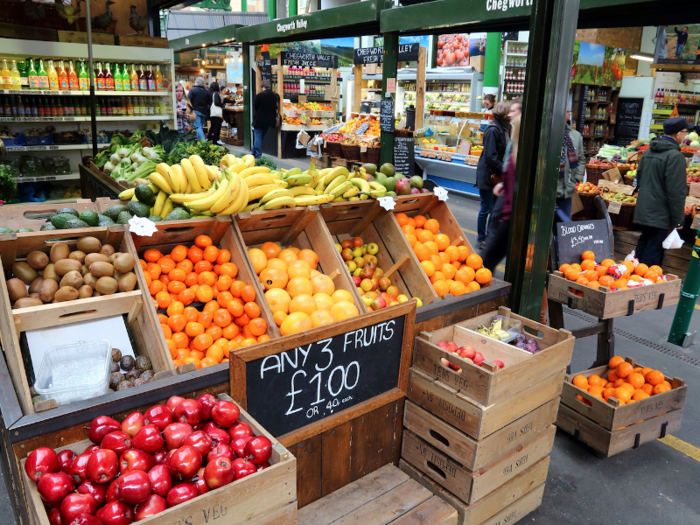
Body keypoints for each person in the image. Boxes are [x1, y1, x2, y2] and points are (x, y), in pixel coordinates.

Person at [633, 117, 689, 266]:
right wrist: (678, 220)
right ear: (678, 134)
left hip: (645, 208)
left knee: (643, 243)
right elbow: (676, 192)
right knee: (654, 250)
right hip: (661, 212)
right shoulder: (675, 157)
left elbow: (639, 177)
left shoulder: (649, 151)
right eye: (685, 132)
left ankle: (632, 278)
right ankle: (646, 285)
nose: (686, 135)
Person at [483, 113, 520, 273]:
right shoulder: (523, 157)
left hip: (510, 218)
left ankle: (480, 295)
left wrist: (502, 218)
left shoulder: (516, 158)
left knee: (487, 261)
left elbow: (513, 192)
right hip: (516, 218)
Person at [475, 101, 511, 250]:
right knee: (486, 208)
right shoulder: (493, 129)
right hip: (488, 176)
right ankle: (481, 238)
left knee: (494, 208)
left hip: (496, 175)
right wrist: (505, 171)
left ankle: (490, 237)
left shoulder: (504, 128)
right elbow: (490, 156)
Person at [555, 109, 585, 219]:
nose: (564, 113)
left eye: (567, 111)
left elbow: (581, 159)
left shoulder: (576, 136)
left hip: (567, 190)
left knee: (563, 227)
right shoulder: (548, 133)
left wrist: (576, 178)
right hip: (548, 191)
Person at [252, 80, 278, 159]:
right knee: (260, 137)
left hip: (259, 120)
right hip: (269, 120)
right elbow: (276, 107)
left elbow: (255, 106)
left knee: (258, 137)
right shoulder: (274, 95)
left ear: (263, 87)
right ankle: (253, 152)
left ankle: (258, 154)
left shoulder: (260, 95)